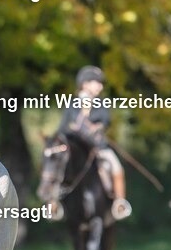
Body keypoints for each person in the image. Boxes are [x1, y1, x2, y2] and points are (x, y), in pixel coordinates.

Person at [56, 65, 131, 219]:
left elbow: (105, 121)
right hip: (77, 149)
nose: (100, 86)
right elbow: (63, 128)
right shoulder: (71, 104)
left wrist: (96, 128)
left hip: (98, 148)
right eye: (96, 82)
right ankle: (54, 203)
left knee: (117, 167)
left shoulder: (101, 103)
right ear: (85, 83)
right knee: (57, 166)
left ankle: (119, 202)